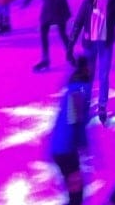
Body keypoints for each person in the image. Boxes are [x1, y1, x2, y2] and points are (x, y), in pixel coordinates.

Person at [49, 55, 92, 205]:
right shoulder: (78, 91)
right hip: (66, 150)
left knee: (75, 191)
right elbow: (76, 124)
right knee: (76, 193)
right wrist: (84, 146)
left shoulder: (73, 89)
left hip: (62, 147)